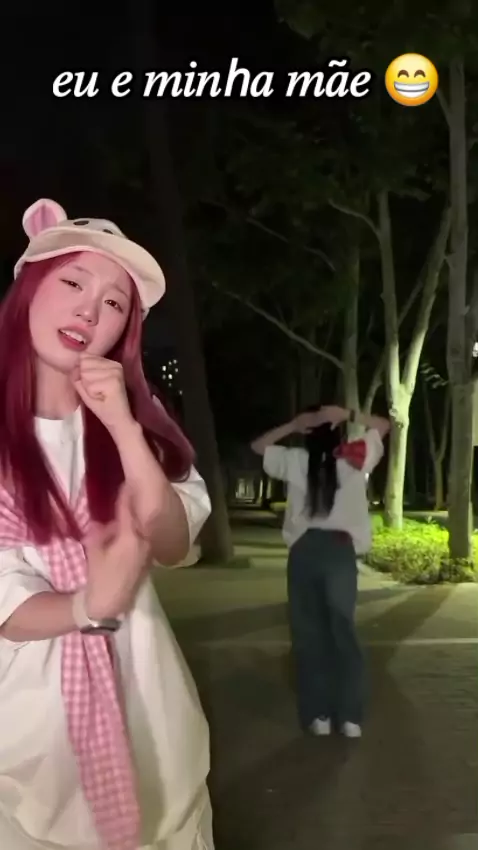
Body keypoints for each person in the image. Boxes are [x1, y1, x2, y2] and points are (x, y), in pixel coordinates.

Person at [0, 199, 214, 850]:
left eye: (114, 302)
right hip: (29, 742)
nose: (90, 311)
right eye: (73, 282)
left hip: (152, 717)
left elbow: (173, 543)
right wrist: (91, 604)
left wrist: (122, 425)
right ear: (29, 288)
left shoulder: (140, 429)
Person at [251, 404, 390, 739]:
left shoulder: (296, 460)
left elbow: (258, 446)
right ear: (337, 432)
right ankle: (350, 717)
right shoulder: (356, 457)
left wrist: (293, 424)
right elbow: (384, 425)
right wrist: (347, 413)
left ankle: (319, 715)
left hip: (305, 551)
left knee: (309, 635)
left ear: (308, 435)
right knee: (343, 632)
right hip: (340, 552)